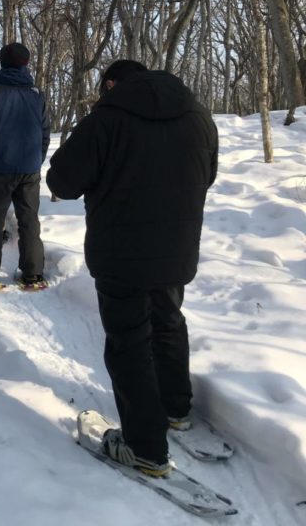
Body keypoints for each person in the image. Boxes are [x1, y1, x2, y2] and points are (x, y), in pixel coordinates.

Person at [46, 60, 219, 477]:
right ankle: (176, 409)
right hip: (176, 248)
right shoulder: (198, 117)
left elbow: (62, 182)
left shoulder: (106, 120)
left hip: (121, 250)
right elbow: (207, 175)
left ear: (110, 84)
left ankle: (145, 449)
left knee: (129, 343)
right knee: (168, 323)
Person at [0, 42, 49, 289]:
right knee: (29, 219)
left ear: (3, 63)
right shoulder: (37, 95)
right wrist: (36, 160)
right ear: (26, 63)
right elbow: (44, 133)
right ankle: (33, 274)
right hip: (29, 168)